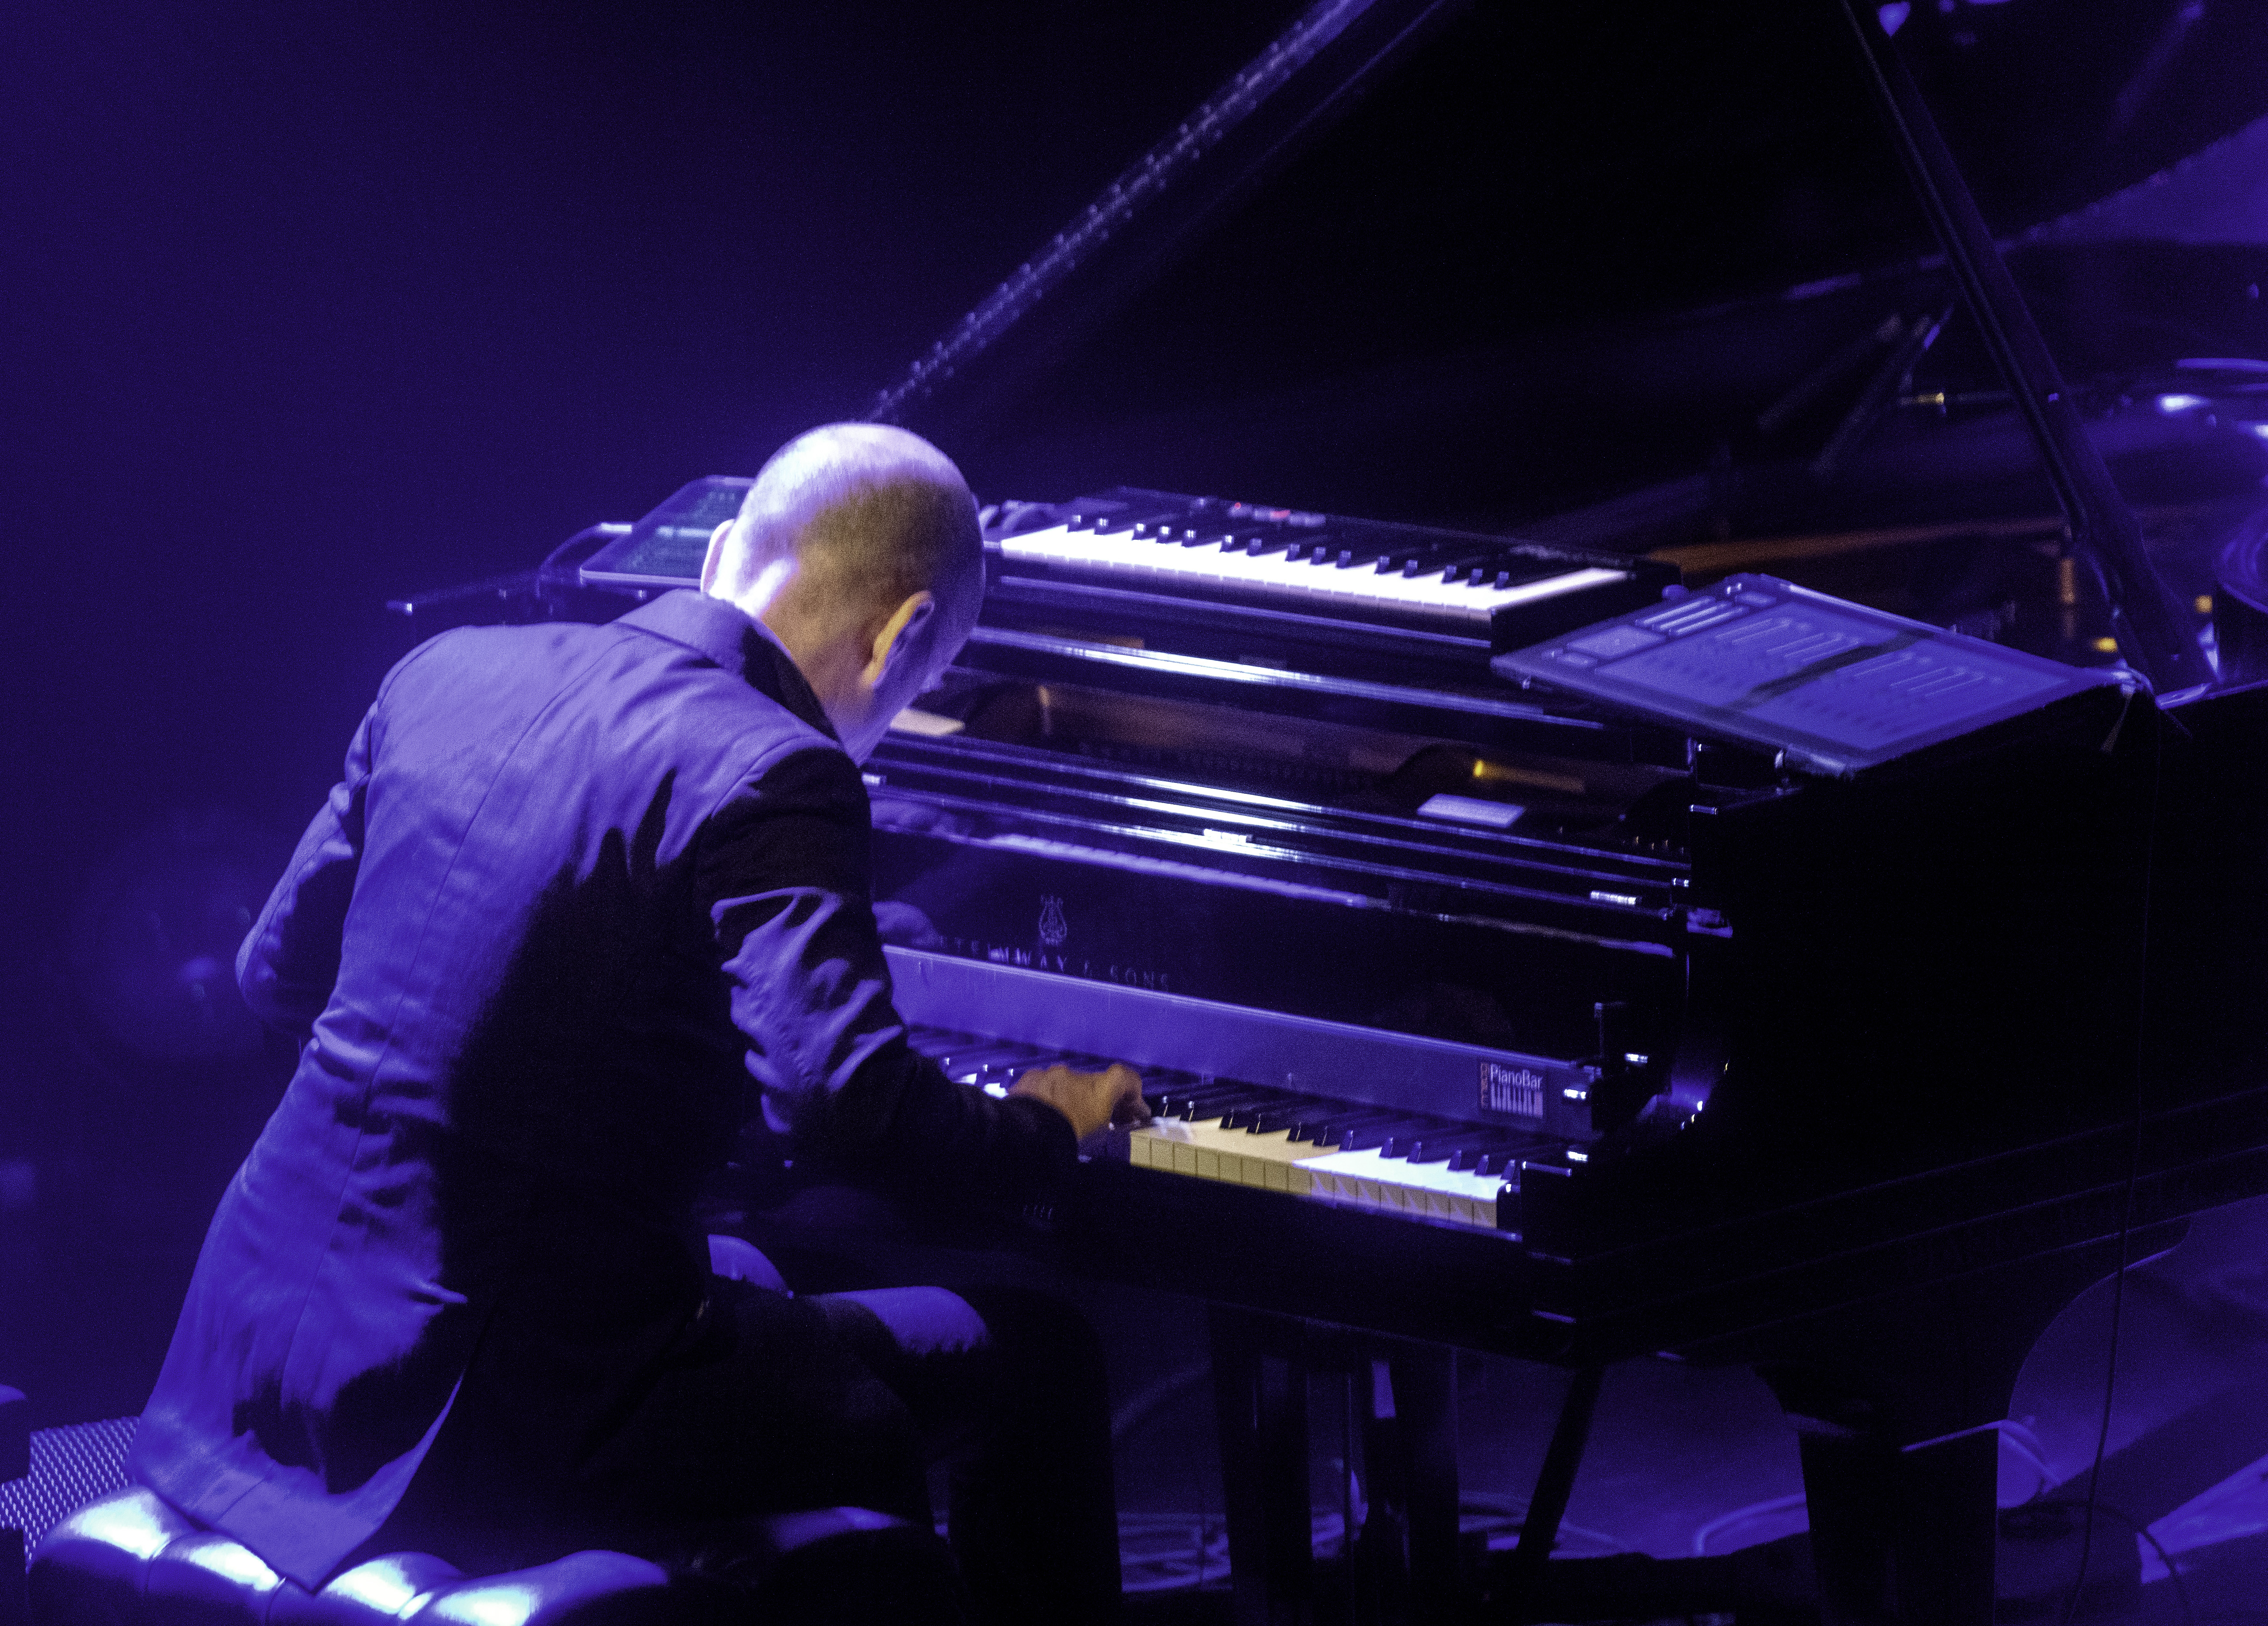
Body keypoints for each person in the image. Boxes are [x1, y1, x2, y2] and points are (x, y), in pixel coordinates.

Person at [126, 423, 1149, 1623]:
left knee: (748, 1271)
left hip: (246, 1361)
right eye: (927, 682)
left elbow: (274, 980)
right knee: (1035, 1358)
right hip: (477, 1415)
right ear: (902, 636)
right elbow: (842, 1107)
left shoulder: (445, 673)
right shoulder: (778, 766)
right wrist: (1037, 1122)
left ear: (719, 554)